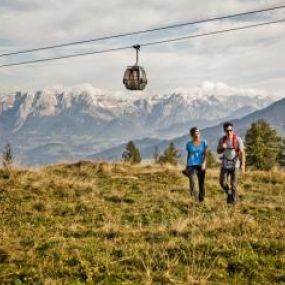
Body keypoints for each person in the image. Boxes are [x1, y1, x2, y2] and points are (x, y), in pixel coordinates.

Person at [217, 122, 246, 204]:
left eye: (230, 130)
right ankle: (229, 193)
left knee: (233, 184)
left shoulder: (238, 140)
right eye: (227, 130)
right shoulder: (222, 140)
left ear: (233, 130)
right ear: (224, 131)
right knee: (222, 183)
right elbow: (218, 151)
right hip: (225, 164)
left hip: (235, 164)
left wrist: (243, 165)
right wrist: (222, 148)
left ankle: (233, 203)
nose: (229, 132)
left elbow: (243, 153)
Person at [184, 127, 208, 202]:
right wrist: (187, 166)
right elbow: (189, 154)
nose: (197, 134)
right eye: (195, 133)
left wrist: (204, 163)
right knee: (193, 182)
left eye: (198, 132)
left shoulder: (204, 143)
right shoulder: (189, 144)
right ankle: (195, 200)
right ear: (192, 135)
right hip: (192, 165)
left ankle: (202, 199)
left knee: (201, 183)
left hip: (201, 165)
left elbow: (206, 154)